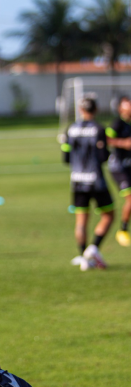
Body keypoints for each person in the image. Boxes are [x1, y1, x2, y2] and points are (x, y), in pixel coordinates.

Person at [63, 97, 113, 271]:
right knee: (109, 215)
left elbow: (66, 158)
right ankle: (94, 248)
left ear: (80, 109)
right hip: (96, 180)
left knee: (81, 221)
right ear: (96, 109)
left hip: (77, 180)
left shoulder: (71, 129)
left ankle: (84, 257)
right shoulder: (99, 129)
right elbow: (103, 157)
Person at [106, 95, 131, 246]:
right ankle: (123, 230)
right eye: (127, 103)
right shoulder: (117, 124)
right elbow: (106, 138)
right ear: (120, 108)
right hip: (118, 167)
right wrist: (123, 143)